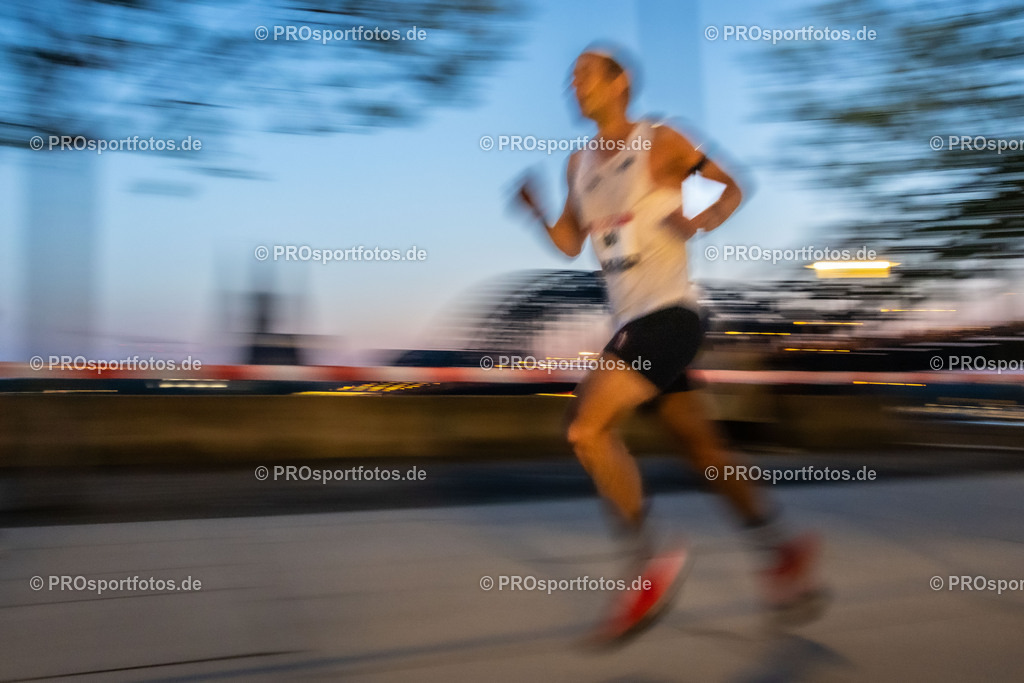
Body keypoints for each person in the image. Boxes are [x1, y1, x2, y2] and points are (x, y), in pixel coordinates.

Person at [514, 46, 826, 643]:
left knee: (585, 429)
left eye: (584, 74)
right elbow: (569, 243)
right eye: (570, 77)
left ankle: (648, 566)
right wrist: (535, 212)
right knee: (702, 451)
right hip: (633, 320)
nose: (573, 84)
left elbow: (733, 186)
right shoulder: (577, 163)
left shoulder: (661, 141)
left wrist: (702, 219)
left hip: (671, 315)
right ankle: (782, 550)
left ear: (620, 83)